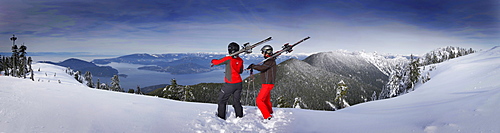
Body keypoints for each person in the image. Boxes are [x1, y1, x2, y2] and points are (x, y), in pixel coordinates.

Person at [211, 42, 244, 120]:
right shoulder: (240, 60)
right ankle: (240, 117)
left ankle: (221, 118)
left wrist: (212, 61)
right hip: (239, 84)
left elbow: (217, 62)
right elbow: (240, 71)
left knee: (222, 100)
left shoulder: (228, 59)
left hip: (229, 84)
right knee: (236, 101)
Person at [248, 45, 276, 121]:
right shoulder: (270, 60)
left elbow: (262, 68)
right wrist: (253, 66)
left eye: (263, 52)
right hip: (268, 83)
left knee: (259, 100)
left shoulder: (270, 61)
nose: (262, 54)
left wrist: (253, 66)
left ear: (267, 52)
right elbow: (263, 67)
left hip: (267, 84)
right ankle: (270, 112)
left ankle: (267, 116)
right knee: (266, 100)